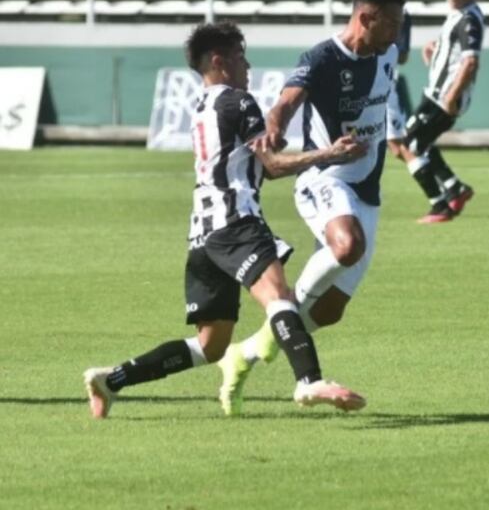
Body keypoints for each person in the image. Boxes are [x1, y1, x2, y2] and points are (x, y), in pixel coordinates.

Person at [83, 21, 369, 419]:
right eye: (240, 56)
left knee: (212, 346)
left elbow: (254, 160)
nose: (247, 65)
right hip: (236, 221)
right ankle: (309, 382)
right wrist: (330, 154)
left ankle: (110, 380)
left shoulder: (202, 106)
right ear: (219, 61)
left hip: (202, 234)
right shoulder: (239, 101)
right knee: (279, 298)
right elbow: (271, 166)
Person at [217, 0, 404, 416]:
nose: (398, 33)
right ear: (365, 18)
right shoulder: (321, 58)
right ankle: (284, 316)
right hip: (323, 176)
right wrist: (277, 125)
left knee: (331, 310)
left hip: (367, 190)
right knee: (347, 246)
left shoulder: (389, 52)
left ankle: (245, 353)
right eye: (391, 24)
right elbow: (286, 101)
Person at [402, 0, 486, 224]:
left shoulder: (469, 19)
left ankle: (441, 205)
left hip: (444, 98)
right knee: (416, 143)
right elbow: (454, 55)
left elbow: (470, 62)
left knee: (413, 145)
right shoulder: (458, 14)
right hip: (435, 94)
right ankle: (454, 188)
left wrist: (451, 96)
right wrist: (435, 50)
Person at [371, 0, 415, 163]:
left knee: (396, 143)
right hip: (358, 83)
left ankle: (442, 186)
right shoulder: (361, 5)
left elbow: (403, 56)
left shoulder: (401, 13)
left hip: (383, 84)